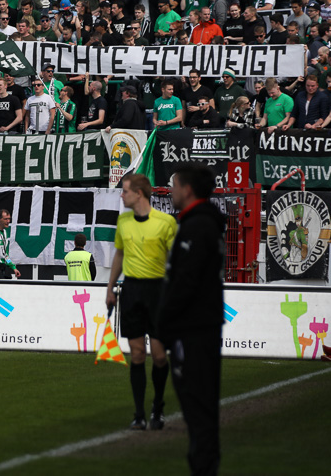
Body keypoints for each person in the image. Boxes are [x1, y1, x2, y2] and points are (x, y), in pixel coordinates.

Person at [159, 163, 226, 476]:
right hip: (198, 326)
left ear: (186, 190)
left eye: (174, 186)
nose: (170, 192)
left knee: (197, 402)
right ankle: (203, 464)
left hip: (194, 328)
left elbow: (185, 280)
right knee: (200, 403)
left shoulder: (198, 226)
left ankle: (203, 466)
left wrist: (164, 321)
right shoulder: (201, 223)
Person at [105, 172, 177, 431]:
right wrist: (111, 288)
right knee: (136, 354)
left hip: (158, 291)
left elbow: (176, 258)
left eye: (124, 191)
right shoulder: (123, 221)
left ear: (139, 193)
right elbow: (119, 255)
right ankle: (139, 414)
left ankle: (158, 406)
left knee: (158, 356)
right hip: (132, 289)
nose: (121, 195)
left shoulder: (165, 222)